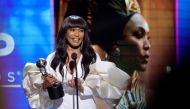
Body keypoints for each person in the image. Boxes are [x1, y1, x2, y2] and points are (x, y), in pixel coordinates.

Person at [23, 15, 101, 109]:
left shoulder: (92, 57)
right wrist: (46, 85)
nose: (77, 34)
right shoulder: (53, 58)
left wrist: (81, 87)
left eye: (81, 30)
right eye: (72, 30)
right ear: (64, 32)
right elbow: (46, 96)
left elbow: (101, 88)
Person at [108, 12, 151, 109]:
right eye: (139, 35)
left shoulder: (145, 94)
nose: (148, 45)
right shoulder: (99, 88)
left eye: (148, 38)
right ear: (118, 43)